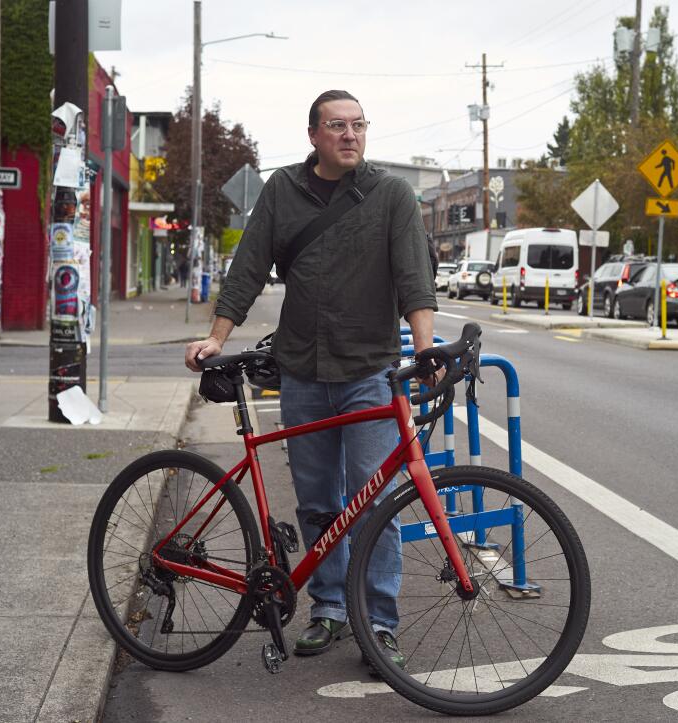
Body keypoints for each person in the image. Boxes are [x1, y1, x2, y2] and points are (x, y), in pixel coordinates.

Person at [184, 90, 438, 670]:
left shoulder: (391, 195)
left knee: (373, 503)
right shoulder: (282, 191)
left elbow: (412, 278)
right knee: (319, 503)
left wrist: (424, 350)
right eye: (337, 126)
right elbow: (248, 266)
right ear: (314, 135)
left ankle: (378, 624)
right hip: (300, 373)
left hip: (370, 372)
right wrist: (218, 337)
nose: (350, 135)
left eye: (358, 125)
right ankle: (329, 608)